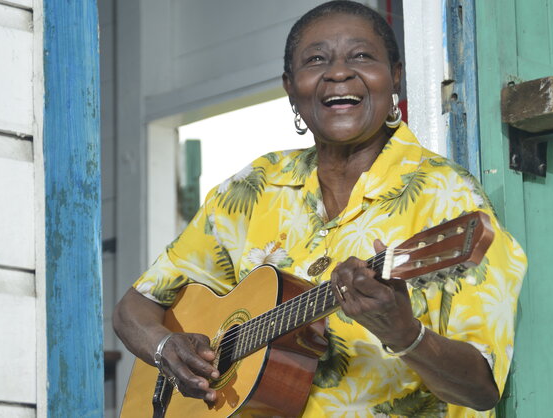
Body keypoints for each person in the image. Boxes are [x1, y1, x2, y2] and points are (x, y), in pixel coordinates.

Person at [113, 1, 527, 416]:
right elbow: (136, 306)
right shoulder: (257, 185)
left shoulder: (449, 198)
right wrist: (166, 346)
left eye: (361, 56)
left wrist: (404, 333)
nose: (338, 72)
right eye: (316, 60)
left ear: (395, 74)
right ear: (291, 86)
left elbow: (480, 389)